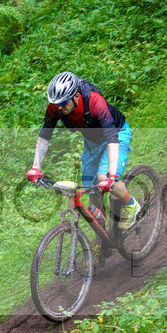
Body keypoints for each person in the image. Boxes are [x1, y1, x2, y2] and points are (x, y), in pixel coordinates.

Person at [26, 71, 141, 229]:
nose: (60, 107)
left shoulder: (95, 102)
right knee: (90, 189)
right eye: (56, 103)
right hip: (92, 141)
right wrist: (35, 167)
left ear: (75, 96)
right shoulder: (56, 107)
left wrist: (111, 176)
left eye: (64, 102)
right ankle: (103, 234)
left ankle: (131, 205)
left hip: (117, 134)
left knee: (104, 177)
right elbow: (45, 136)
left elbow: (112, 138)